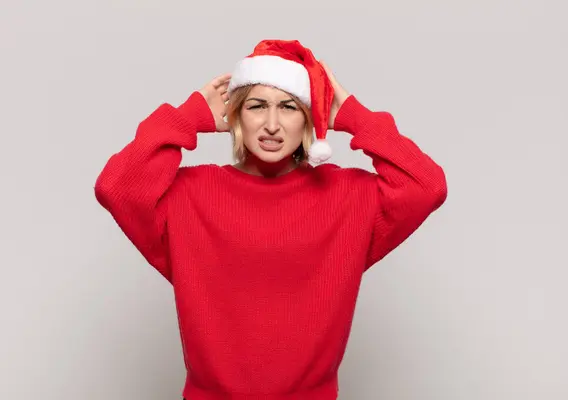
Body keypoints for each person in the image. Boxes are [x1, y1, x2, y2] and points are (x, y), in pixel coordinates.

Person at [94, 39, 448, 399]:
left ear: (309, 117)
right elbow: (116, 187)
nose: (272, 125)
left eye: (289, 107)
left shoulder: (347, 196)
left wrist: (356, 117)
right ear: (236, 115)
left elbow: (427, 186)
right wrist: (187, 117)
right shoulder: (188, 195)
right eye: (257, 106)